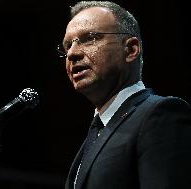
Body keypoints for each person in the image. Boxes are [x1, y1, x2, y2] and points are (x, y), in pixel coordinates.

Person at [57, 1, 191, 189]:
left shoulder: (160, 115)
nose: (72, 53)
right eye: (67, 45)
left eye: (89, 38)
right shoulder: (97, 131)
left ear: (131, 50)